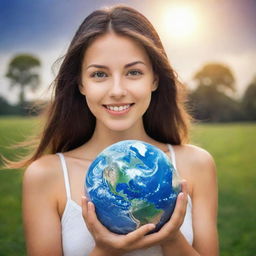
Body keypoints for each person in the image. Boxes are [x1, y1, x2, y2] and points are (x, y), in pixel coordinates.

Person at [20, 5, 218, 256]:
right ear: (81, 83)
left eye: (133, 72)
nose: (117, 90)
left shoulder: (197, 165)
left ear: (154, 79)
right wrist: (104, 251)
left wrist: (171, 238)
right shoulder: (45, 176)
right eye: (99, 74)